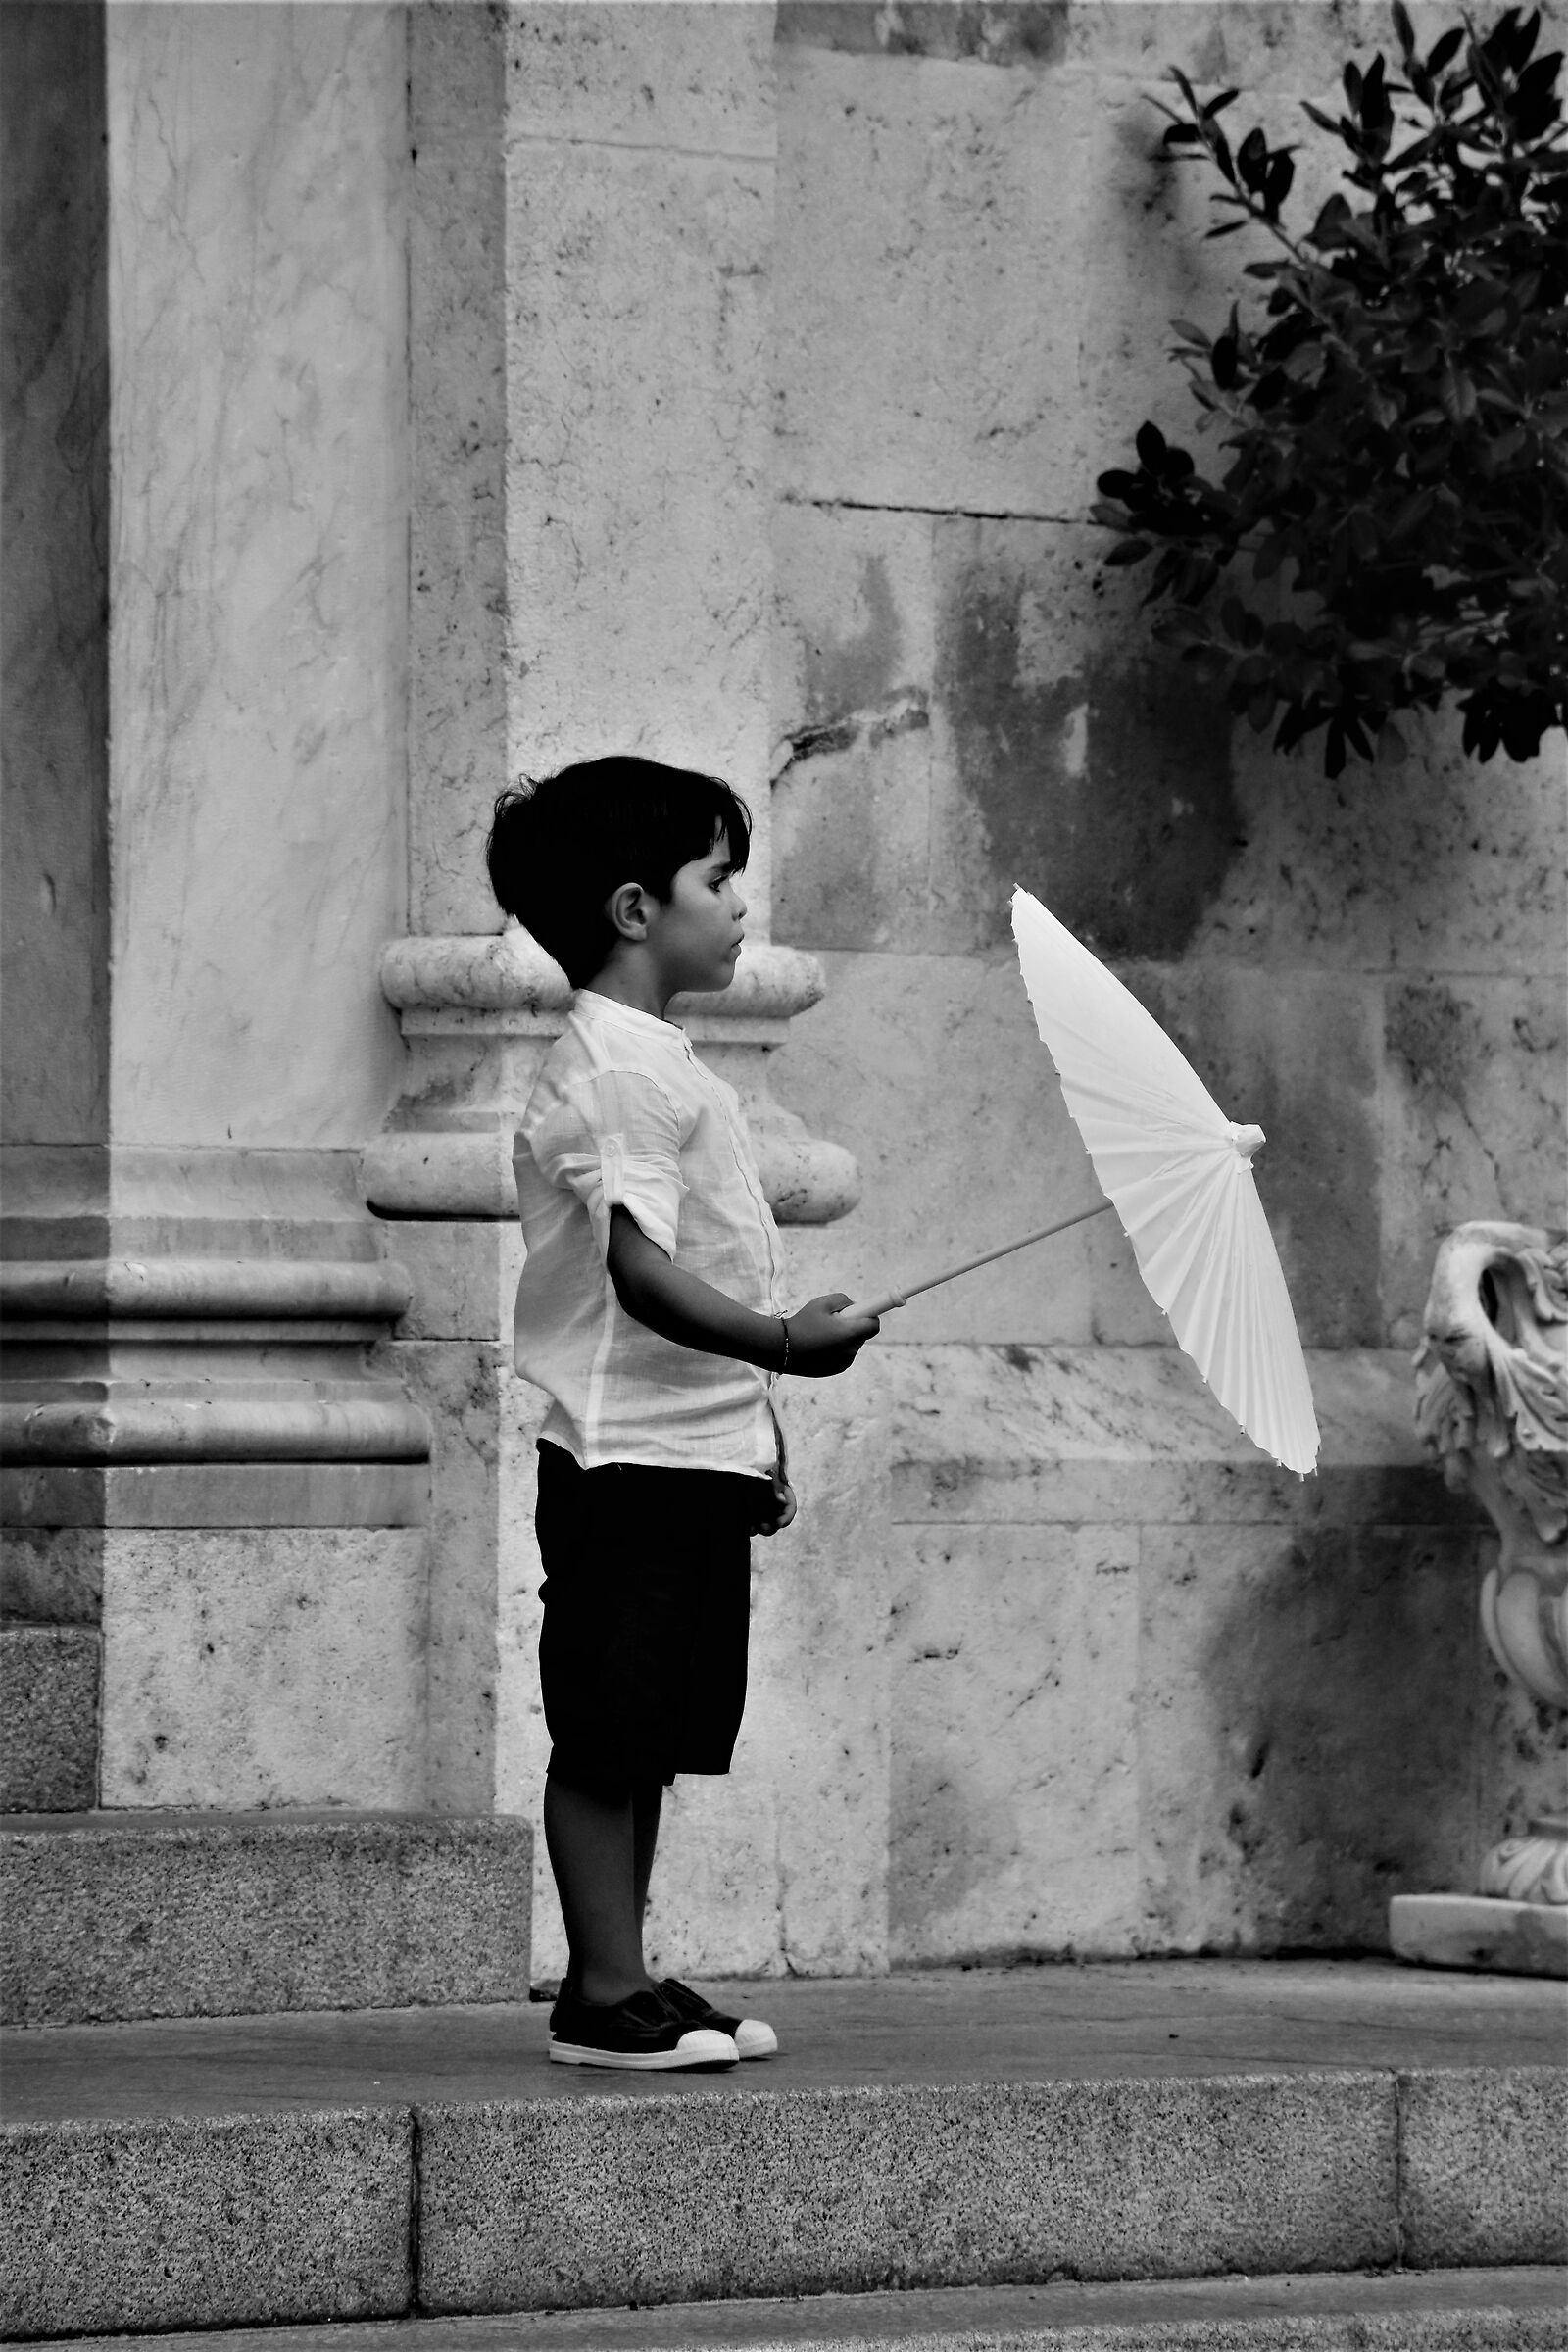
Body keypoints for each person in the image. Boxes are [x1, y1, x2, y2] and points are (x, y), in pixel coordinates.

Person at [487, 756, 880, 2072]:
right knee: (606, 1728)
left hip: (688, 1453)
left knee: (647, 1726)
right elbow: (641, 1273)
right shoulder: (614, 1071)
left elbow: (697, 1262)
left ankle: (625, 1974)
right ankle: (603, 1994)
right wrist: (783, 1345)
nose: (741, 905)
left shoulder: (661, 1062)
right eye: (721, 879)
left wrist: (756, 1428)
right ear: (637, 908)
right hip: (625, 1460)